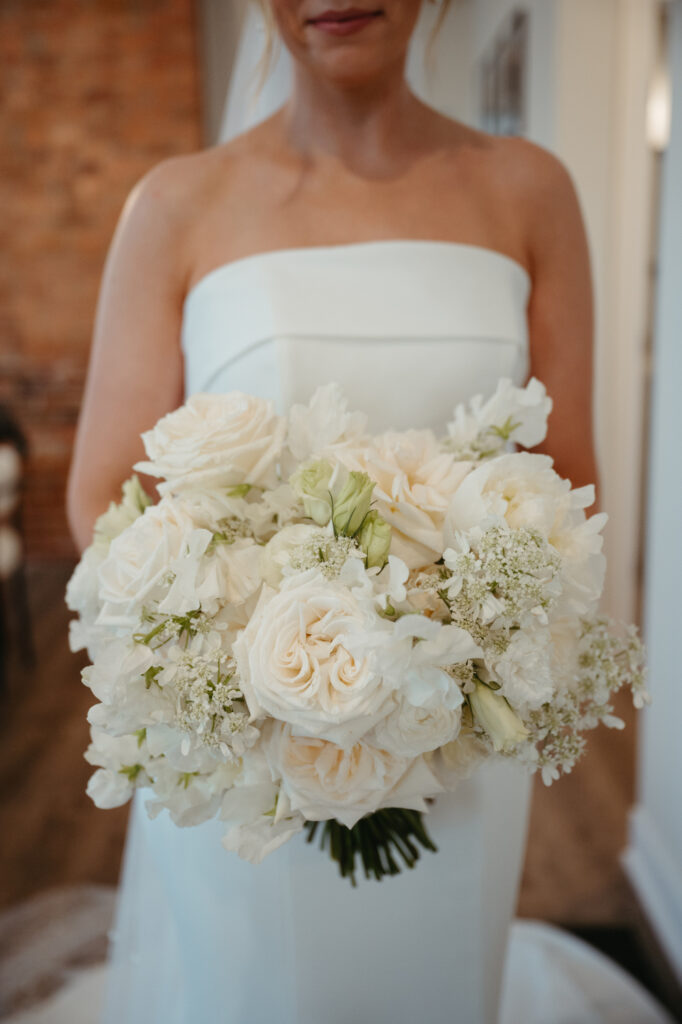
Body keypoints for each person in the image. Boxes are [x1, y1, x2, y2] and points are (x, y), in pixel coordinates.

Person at [66, 2, 598, 1021]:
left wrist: (449, 657)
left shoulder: (530, 190)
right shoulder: (175, 204)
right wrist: (243, 665)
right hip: (248, 760)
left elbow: (572, 481)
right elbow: (101, 496)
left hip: (459, 741)